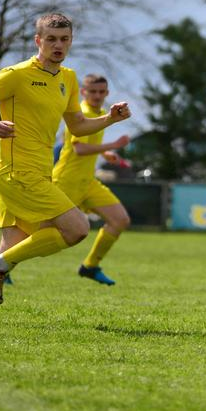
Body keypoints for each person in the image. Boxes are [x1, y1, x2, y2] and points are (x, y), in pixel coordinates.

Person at [0, 13, 131, 325]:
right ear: (38, 41)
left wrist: (110, 118)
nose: (58, 45)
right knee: (77, 228)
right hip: (15, 172)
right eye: (51, 39)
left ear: (71, 41)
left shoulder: (68, 78)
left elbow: (77, 125)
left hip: (39, 173)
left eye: (64, 39)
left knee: (11, 248)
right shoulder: (15, 74)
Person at [52, 74, 132, 286]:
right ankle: (1, 265)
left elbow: (87, 144)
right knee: (39, 230)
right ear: (83, 92)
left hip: (88, 182)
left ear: (107, 93)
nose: (97, 96)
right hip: (66, 182)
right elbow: (79, 149)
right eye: (93, 91)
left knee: (120, 220)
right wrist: (113, 146)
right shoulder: (82, 114)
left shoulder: (101, 113)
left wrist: (105, 154)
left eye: (101, 92)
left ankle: (90, 266)